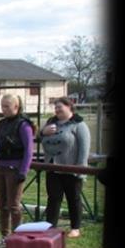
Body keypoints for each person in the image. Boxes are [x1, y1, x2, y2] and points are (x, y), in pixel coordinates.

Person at [39, 97, 91, 238]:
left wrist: (81, 169)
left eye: (60, 107)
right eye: (55, 107)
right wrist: (43, 132)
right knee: (53, 198)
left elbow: (84, 149)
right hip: (52, 167)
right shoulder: (50, 123)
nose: (56, 110)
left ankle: (75, 227)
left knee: (73, 198)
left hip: (71, 168)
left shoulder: (79, 125)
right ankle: (50, 226)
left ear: (69, 107)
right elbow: (39, 138)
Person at [0, 94, 36, 248]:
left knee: (13, 205)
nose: (3, 109)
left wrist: (23, 172)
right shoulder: (2, 124)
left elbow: (29, 150)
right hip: (0, 166)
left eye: (7, 106)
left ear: (16, 107)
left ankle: (17, 237)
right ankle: (5, 235)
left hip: (14, 169)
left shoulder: (23, 125)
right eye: (2, 106)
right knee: (2, 204)